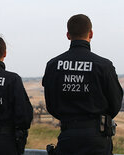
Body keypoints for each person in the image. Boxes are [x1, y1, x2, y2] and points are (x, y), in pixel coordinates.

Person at [42, 14, 123, 155]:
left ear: (68, 35)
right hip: (97, 140)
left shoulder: (53, 65)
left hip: (67, 138)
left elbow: (51, 104)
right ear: (91, 33)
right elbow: (115, 103)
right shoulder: (103, 65)